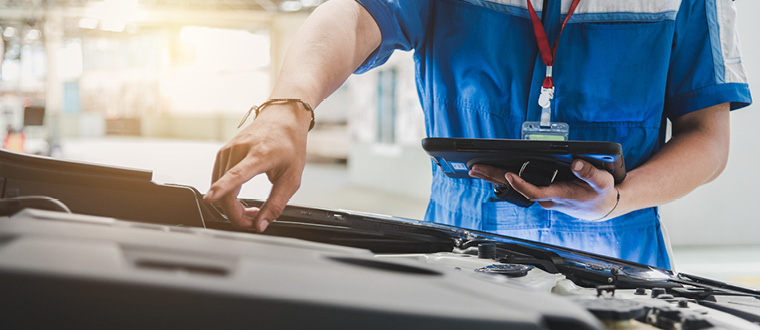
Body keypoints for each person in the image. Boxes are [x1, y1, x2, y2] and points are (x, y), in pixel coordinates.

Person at [204, 0, 752, 269]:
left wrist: (616, 201)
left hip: (617, 256)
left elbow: (708, 137)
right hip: (457, 249)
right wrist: (288, 106)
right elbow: (349, 16)